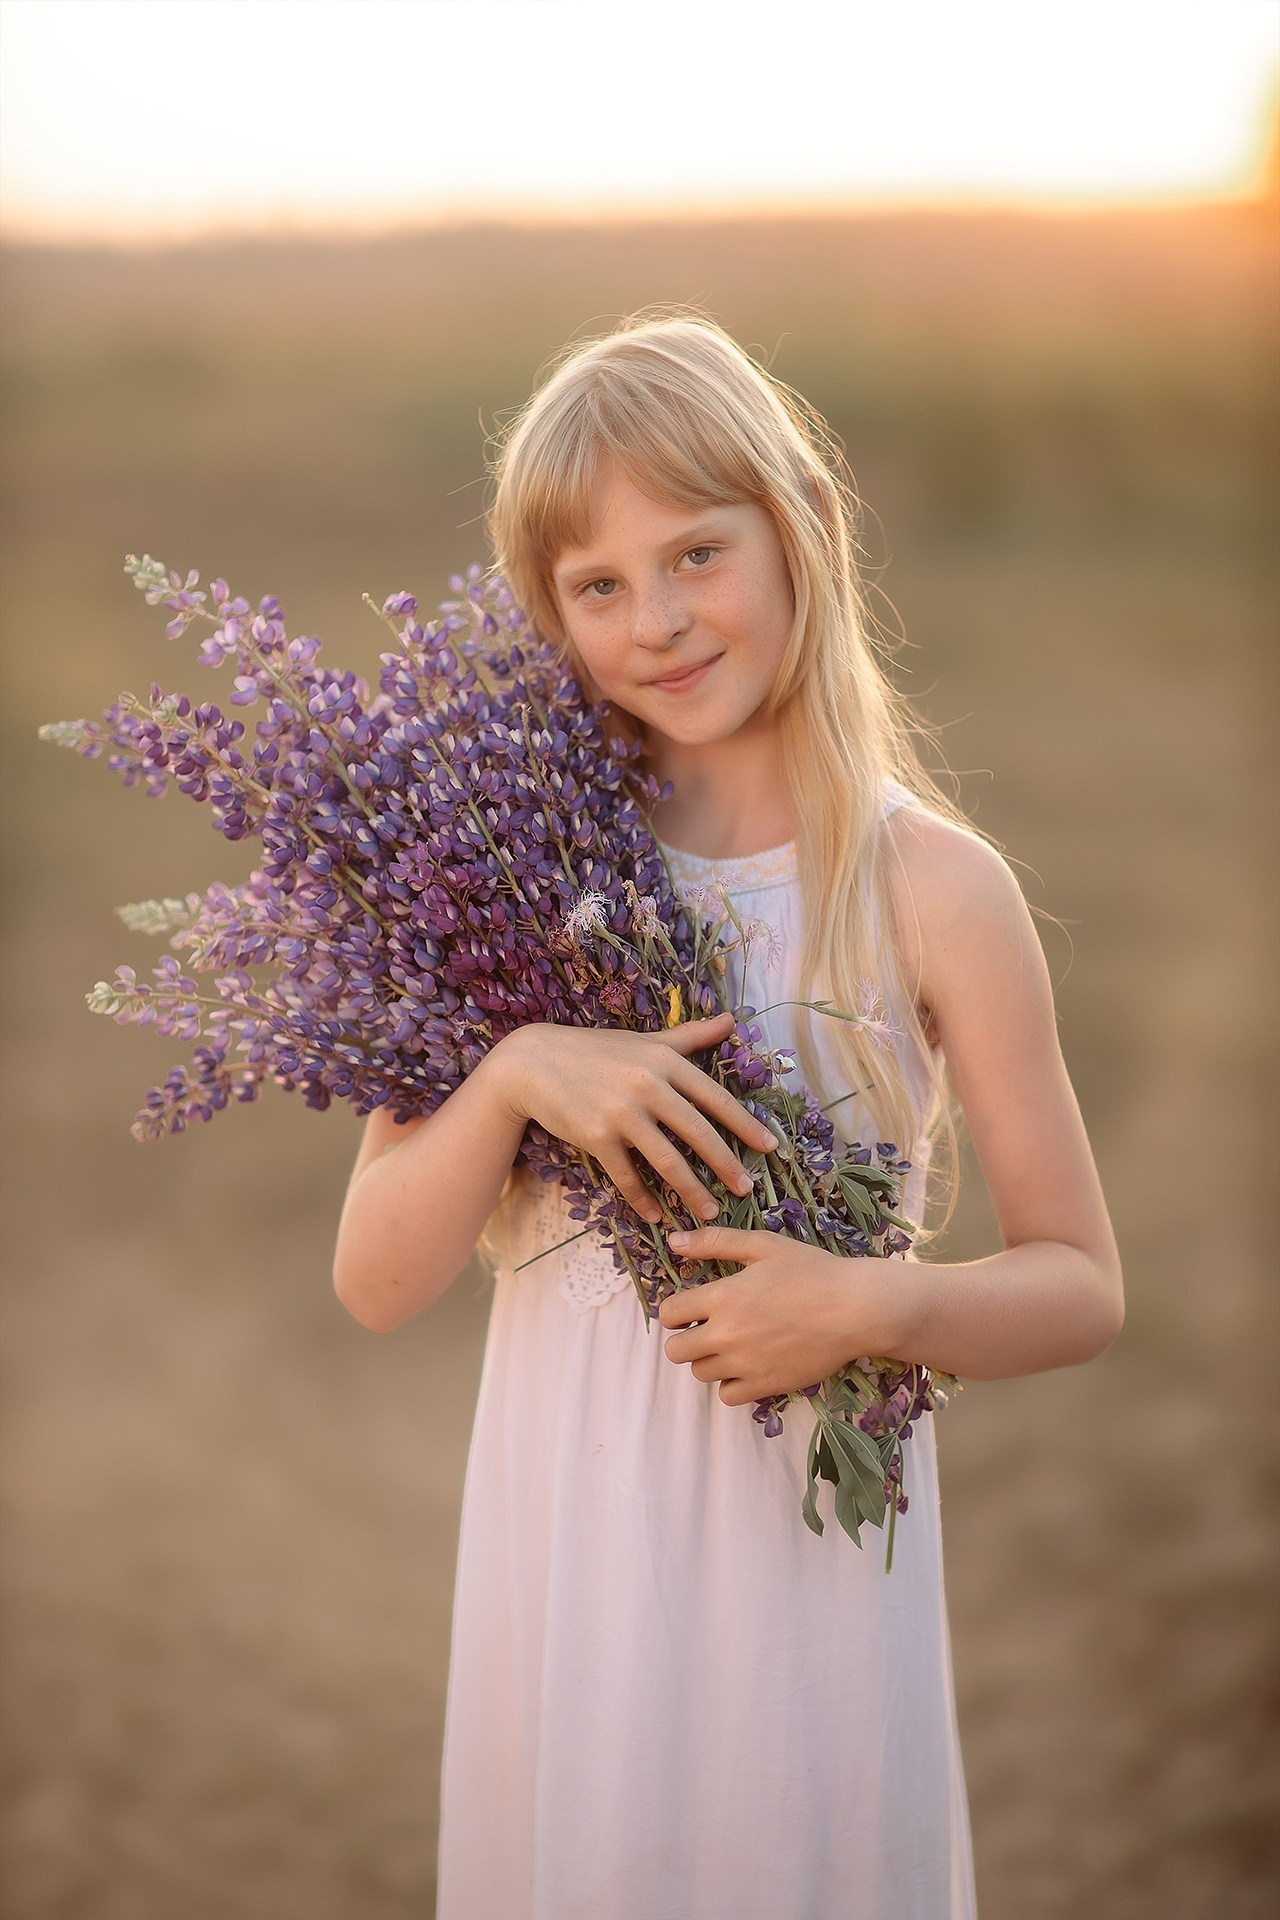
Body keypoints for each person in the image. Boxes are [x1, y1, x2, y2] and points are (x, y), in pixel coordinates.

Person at [331, 312, 1123, 1920]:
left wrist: (873, 1302)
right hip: (575, 1537)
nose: (660, 620)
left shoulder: (931, 892)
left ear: (804, 529)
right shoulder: (519, 875)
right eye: (598, 585)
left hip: (806, 1567)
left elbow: (1082, 1283)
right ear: (545, 609)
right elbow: (374, 1277)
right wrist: (513, 1072)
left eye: (699, 552)